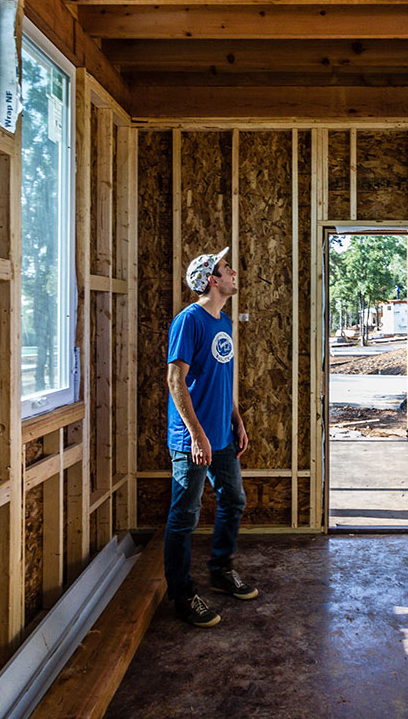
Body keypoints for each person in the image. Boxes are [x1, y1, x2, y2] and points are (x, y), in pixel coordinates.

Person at [164, 246, 259, 627]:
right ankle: (182, 594)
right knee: (184, 516)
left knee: (233, 500)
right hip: (193, 439)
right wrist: (197, 435)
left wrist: (236, 419)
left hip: (220, 434)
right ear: (211, 280)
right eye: (226, 268)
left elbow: (223, 379)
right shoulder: (190, 321)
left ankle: (220, 570)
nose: (234, 271)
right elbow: (175, 380)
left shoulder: (224, 323)